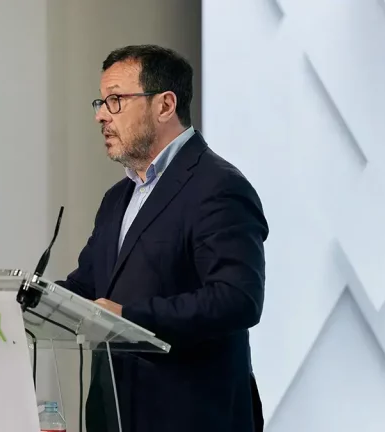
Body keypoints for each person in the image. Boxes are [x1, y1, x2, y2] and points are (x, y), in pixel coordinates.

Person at [56, 45, 268, 432]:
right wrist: (25, 300)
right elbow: (87, 287)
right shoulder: (117, 198)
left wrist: (128, 318)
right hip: (116, 416)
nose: (101, 115)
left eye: (115, 100)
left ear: (165, 105)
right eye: (101, 102)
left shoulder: (218, 186)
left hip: (193, 417)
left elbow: (238, 299)